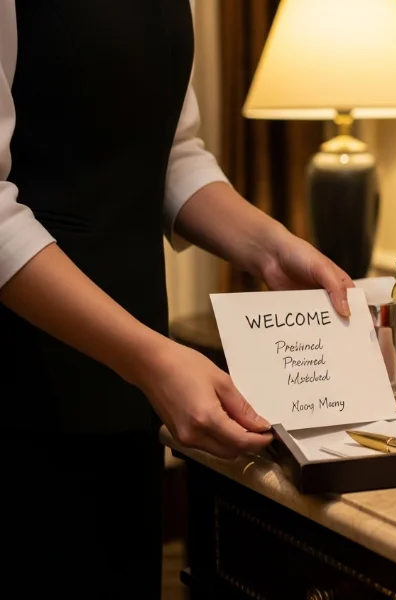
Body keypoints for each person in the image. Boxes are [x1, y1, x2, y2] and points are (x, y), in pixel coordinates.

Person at [0, 2, 352, 596]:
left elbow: (171, 154)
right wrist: (151, 357)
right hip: (20, 384)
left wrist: (273, 249)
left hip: (122, 384)